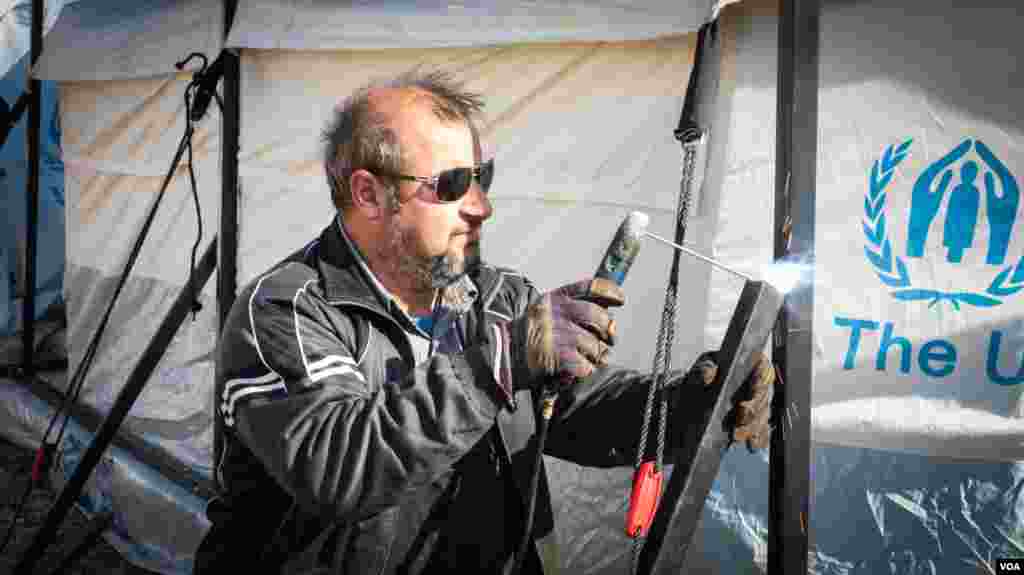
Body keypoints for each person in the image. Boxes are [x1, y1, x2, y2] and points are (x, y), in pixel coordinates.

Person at [193, 69, 776, 575]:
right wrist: (502, 361)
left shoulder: (492, 297)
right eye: (451, 185)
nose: (480, 205)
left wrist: (695, 403)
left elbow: (577, 410)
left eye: (481, 177)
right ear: (368, 195)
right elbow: (339, 467)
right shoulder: (286, 311)